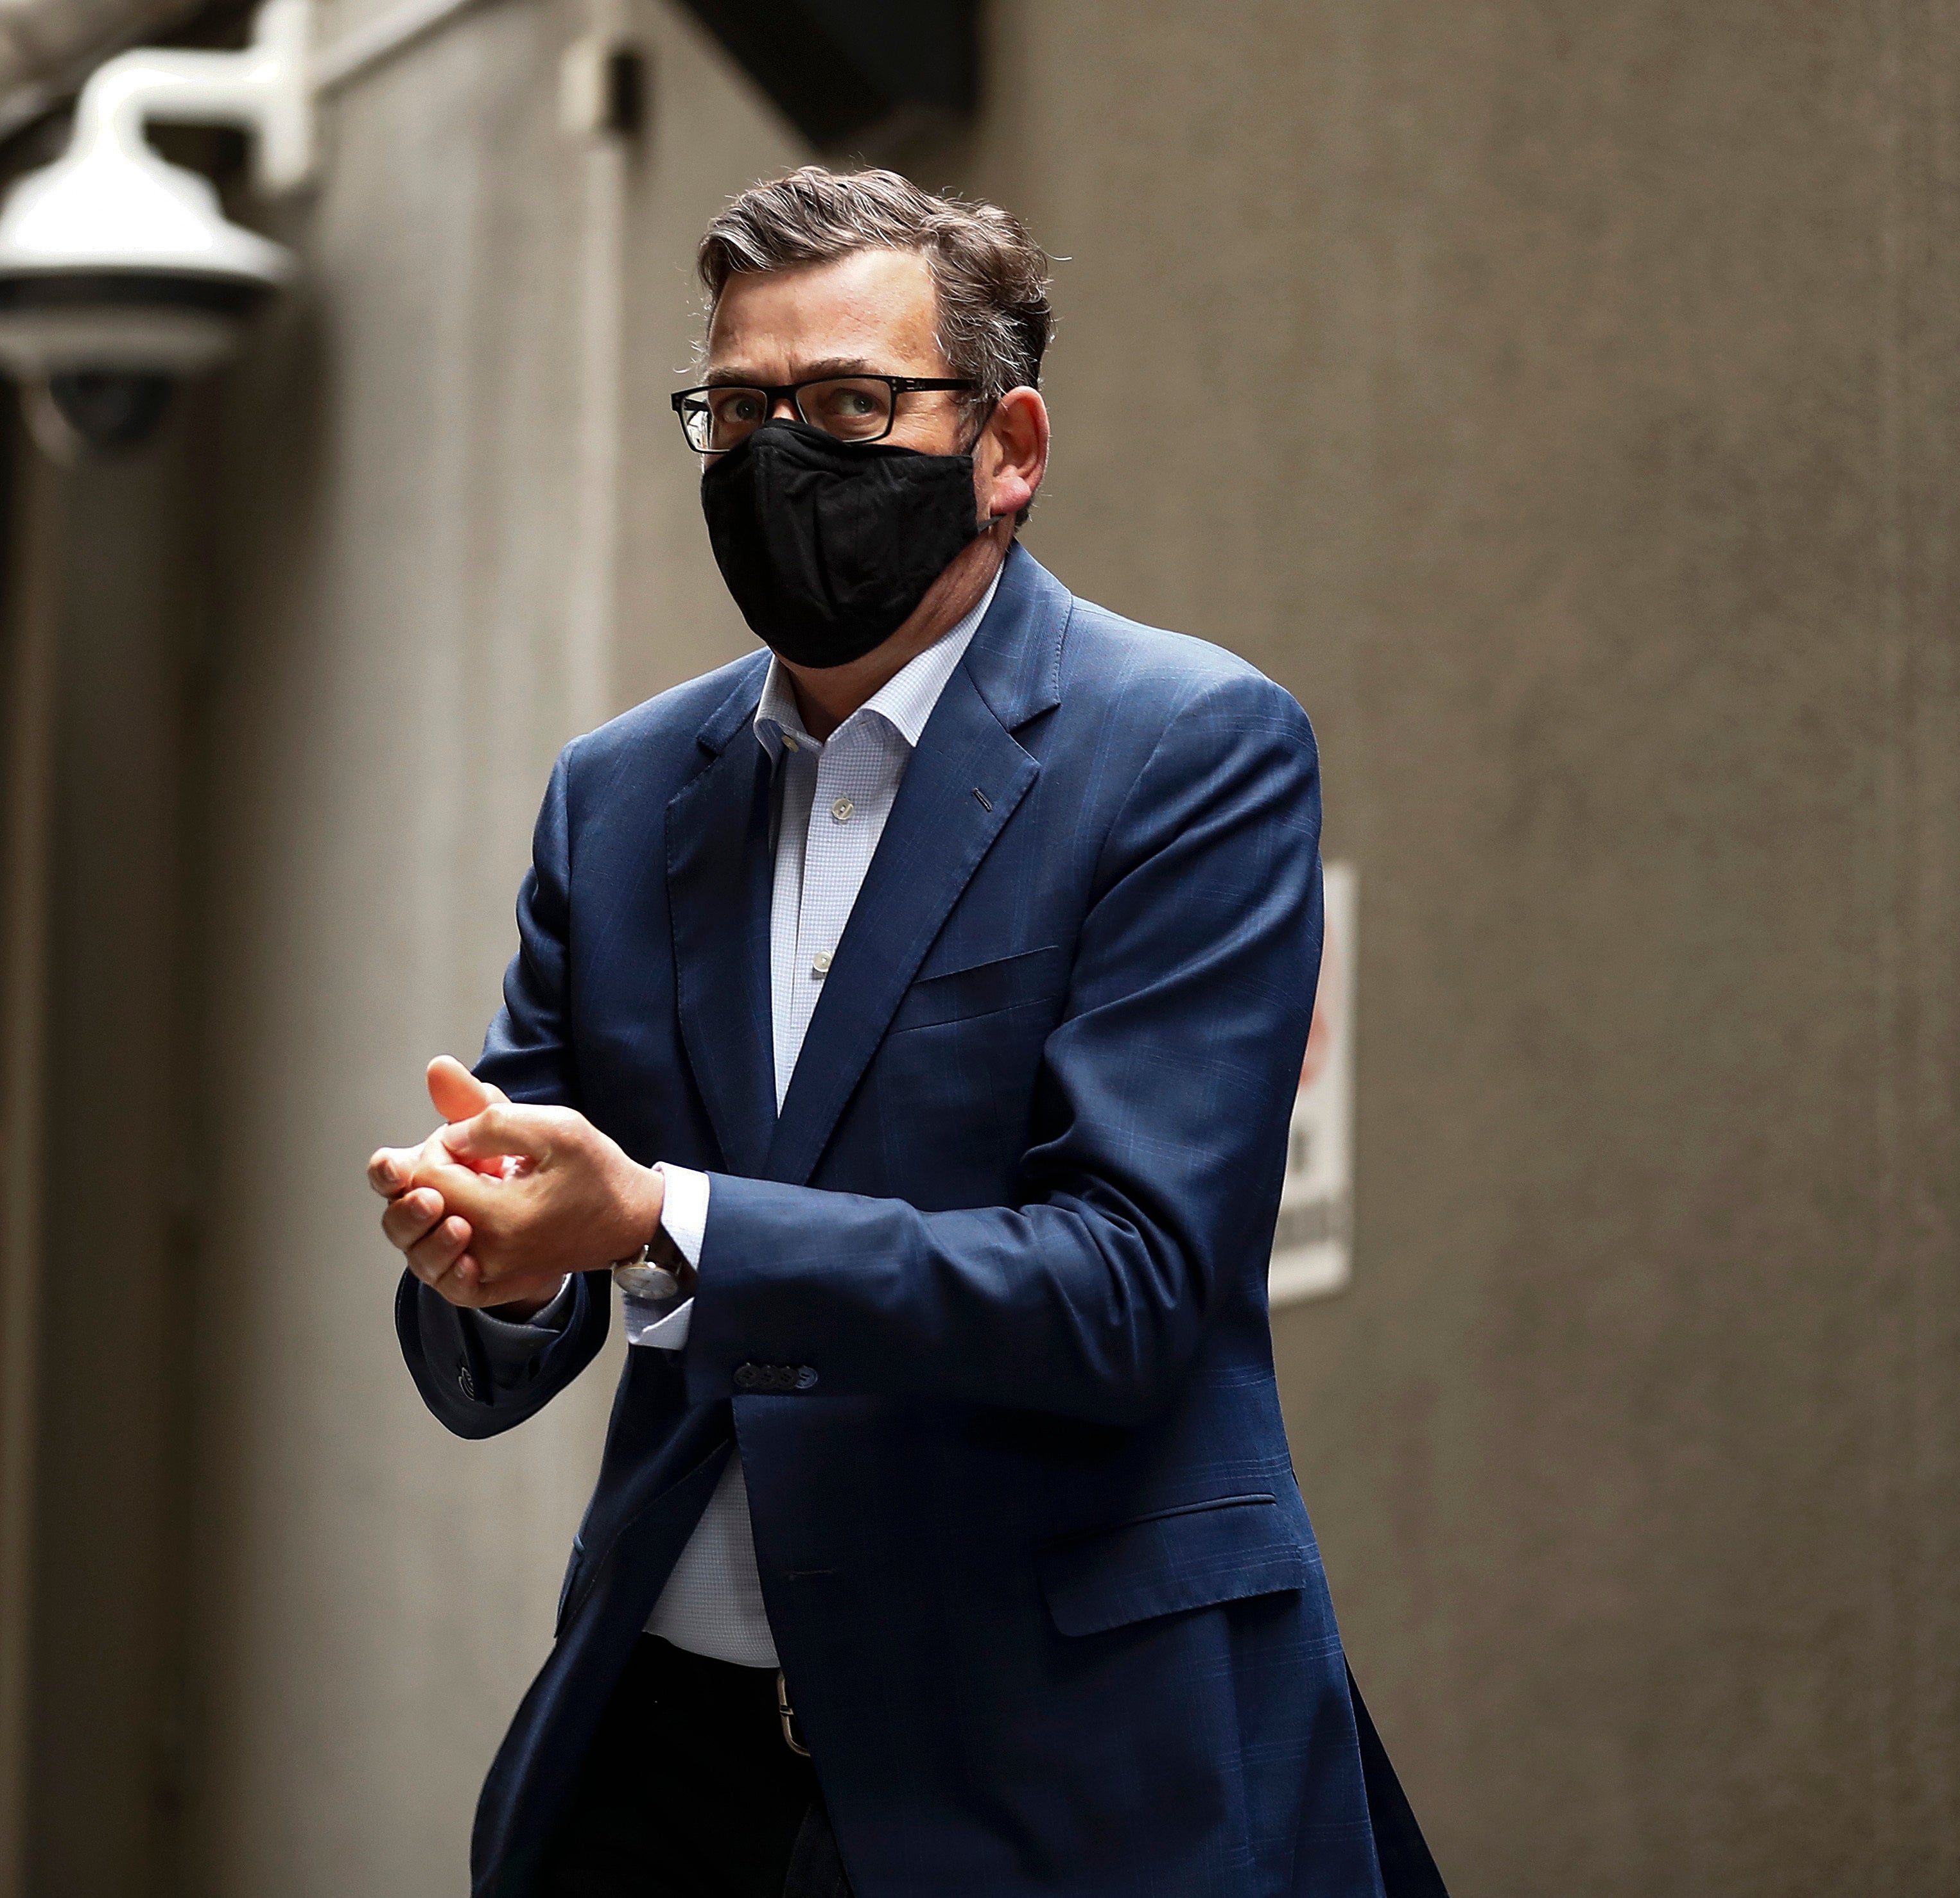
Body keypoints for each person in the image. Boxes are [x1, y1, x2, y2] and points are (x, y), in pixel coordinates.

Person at [362, 167, 1443, 1898]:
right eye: (739, 408)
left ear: (1005, 445)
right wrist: (501, 1255)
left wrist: (658, 1221)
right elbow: (541, 1214)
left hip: (1063, 1756)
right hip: (666, 1764)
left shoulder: (1187, 750)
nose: (784, 453)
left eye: (852, 404)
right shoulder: (622, 794)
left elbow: (1129, 1287)